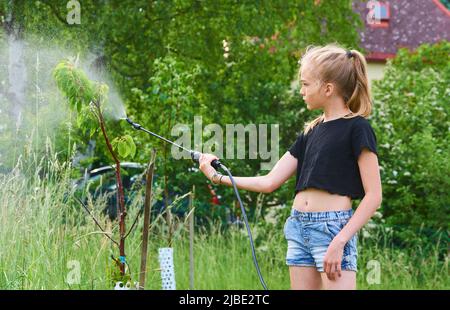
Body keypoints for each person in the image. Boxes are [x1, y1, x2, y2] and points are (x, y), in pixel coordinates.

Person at [198, 43, 382, 290]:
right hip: (298, 226)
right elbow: (269, 181)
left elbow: (374, 196)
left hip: (333, 231)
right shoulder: (310, 132)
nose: (301, 91)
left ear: (328, 88)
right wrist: (217, 177)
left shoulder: (357, 128)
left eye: (306, 84)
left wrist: (340, 242)